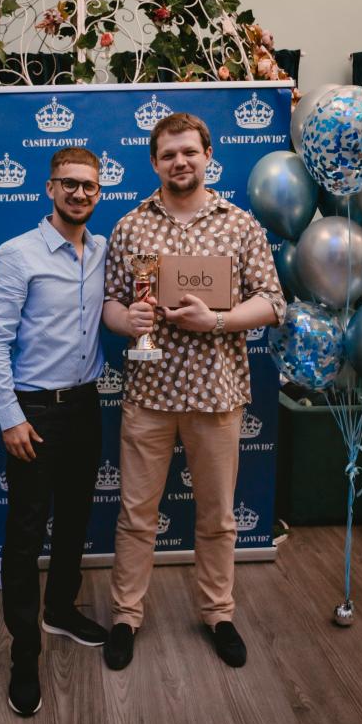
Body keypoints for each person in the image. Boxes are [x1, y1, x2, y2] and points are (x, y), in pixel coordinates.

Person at [102, 113, 286, 671]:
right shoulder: (131, 226)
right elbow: (110, 303)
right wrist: (128, 320)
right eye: (168, 154)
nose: (179, 162)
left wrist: (217, 321)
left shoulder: (240, 225)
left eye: (189, 152)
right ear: (154, 162)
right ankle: (126, 616)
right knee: (136, 514)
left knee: (218, 517)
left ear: (208, 155)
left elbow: (272, 303)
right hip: (149, 394)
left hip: (216, 394)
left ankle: (218, 613)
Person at [0, 147, 108, 717]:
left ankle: (60, 610)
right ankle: (24, 654)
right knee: (26, 531)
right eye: (69, 184)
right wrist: (11, 417)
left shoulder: (102, 251)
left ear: (99, 192)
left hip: (86, 405)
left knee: (76, 517)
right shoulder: (17, 254)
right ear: (50, 188)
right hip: (34, 410)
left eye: (89, 186)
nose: (79, 194)